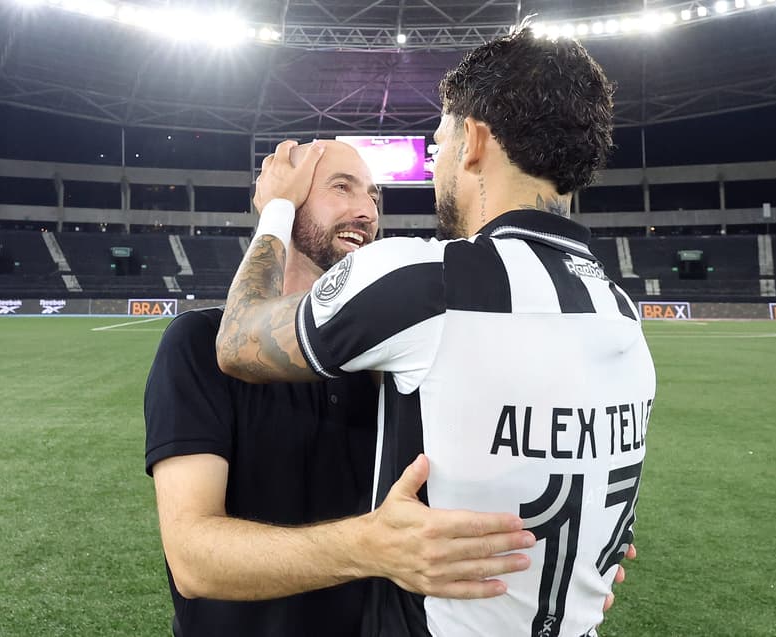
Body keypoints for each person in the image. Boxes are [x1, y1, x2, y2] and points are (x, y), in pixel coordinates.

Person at [216, 30, 655, 637]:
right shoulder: (621, 311)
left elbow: (237, 340)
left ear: (474, 140)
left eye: (438, 143)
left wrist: (275, 210)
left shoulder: (428, 279)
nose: (434, 164)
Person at [144, 140, 542, 637]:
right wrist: (367, 547)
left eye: (373, 197)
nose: (367, 212)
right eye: (342, 188)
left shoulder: (393, 356)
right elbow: (193, 560)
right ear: (286, 200)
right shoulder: (197, 343)